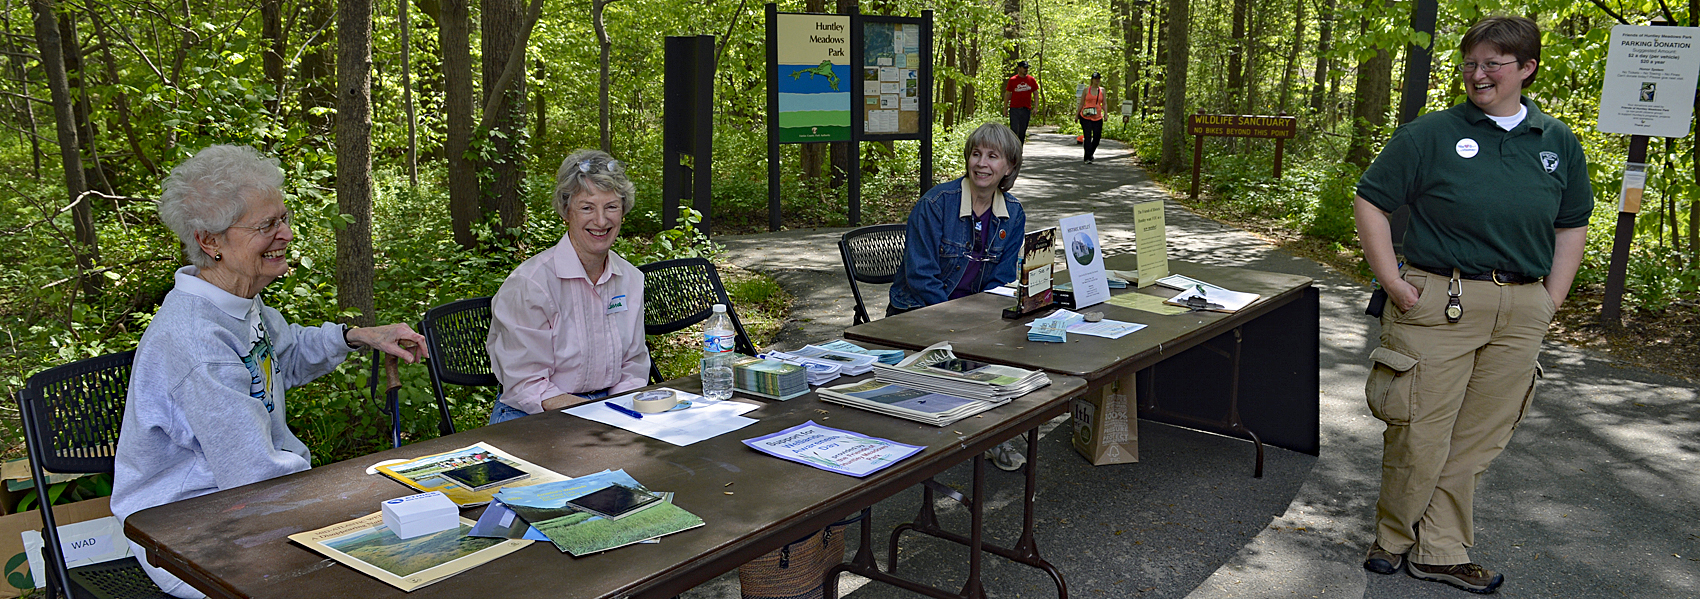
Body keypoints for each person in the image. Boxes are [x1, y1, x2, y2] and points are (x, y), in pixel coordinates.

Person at [112, 145, 428, 598]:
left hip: (247, 503)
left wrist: (356, 336)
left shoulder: (237, 303)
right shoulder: (196, 342)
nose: (287, 234)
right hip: (189, 532)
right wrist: (358, 501)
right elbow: (254, 474)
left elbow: (285, 354)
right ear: (210, 241)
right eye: (267, 226)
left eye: (283, 218)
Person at [1353, 15, 1590, 595]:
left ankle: (1440, 550)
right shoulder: (1429, 135)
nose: (1478, 74)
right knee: (1419, 428)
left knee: (1479, 437)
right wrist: (1394, 279)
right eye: (1470, 64)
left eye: (1493, 64)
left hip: (1521, 307)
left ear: (1527, 69)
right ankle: (1393, 535)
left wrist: (1548, 302)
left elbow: (1571, 226)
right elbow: (1371, 201)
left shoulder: (1556, 142)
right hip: (1440, 299)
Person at [888, 122, 1028, 470]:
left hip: (972, 317)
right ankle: (962, 436)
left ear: (1008, 167)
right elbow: (921, 277)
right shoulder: (936, 204)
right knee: (970, 359)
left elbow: (999, 280)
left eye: (993, 156)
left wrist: (985, 325)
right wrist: (961, 326)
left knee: (1021, 349)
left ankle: (994, 433)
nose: (982, 163)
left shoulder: (1014, 214)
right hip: (918, 313)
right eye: (976, 154)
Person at [485, 149, 651, 423]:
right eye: (587, 207)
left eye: (611, 206)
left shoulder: (630, 279)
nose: (601, 221)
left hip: (609, 410)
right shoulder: (531, 284)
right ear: (566, 211)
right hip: (535, 417)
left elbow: (633, 365)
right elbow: (526, 385)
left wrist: (621, 415)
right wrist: (598, 418)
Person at [1003, 61, 1038, 143]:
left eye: (1027, 68)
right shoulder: (1013, 80)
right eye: (1024, 68)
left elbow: (1036, 93)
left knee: (1022, 132)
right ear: (1019, 68)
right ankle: (1013, 151)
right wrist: (1005, 108)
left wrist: (1036, 107)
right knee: (1014, 131)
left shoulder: (1031, 80)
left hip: (1026, 109)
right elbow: (1008, 94)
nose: (1026, 69)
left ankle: (1020, 150)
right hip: (1014, 109)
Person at [1077, 72, 1107, 164]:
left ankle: (1090, 154)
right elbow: (1081, 103)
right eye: (1095, 78)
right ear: (1092, 79)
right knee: (1088, 137)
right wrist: (1076, 114)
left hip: (1097, 117)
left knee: (1097, 138)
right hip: (1086, 116)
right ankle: (1087, 158)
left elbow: (1104, 103)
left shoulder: (1102, 90)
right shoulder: (1086, 90)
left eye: (1098, 78)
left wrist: (1106, 114)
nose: (1097, 80)